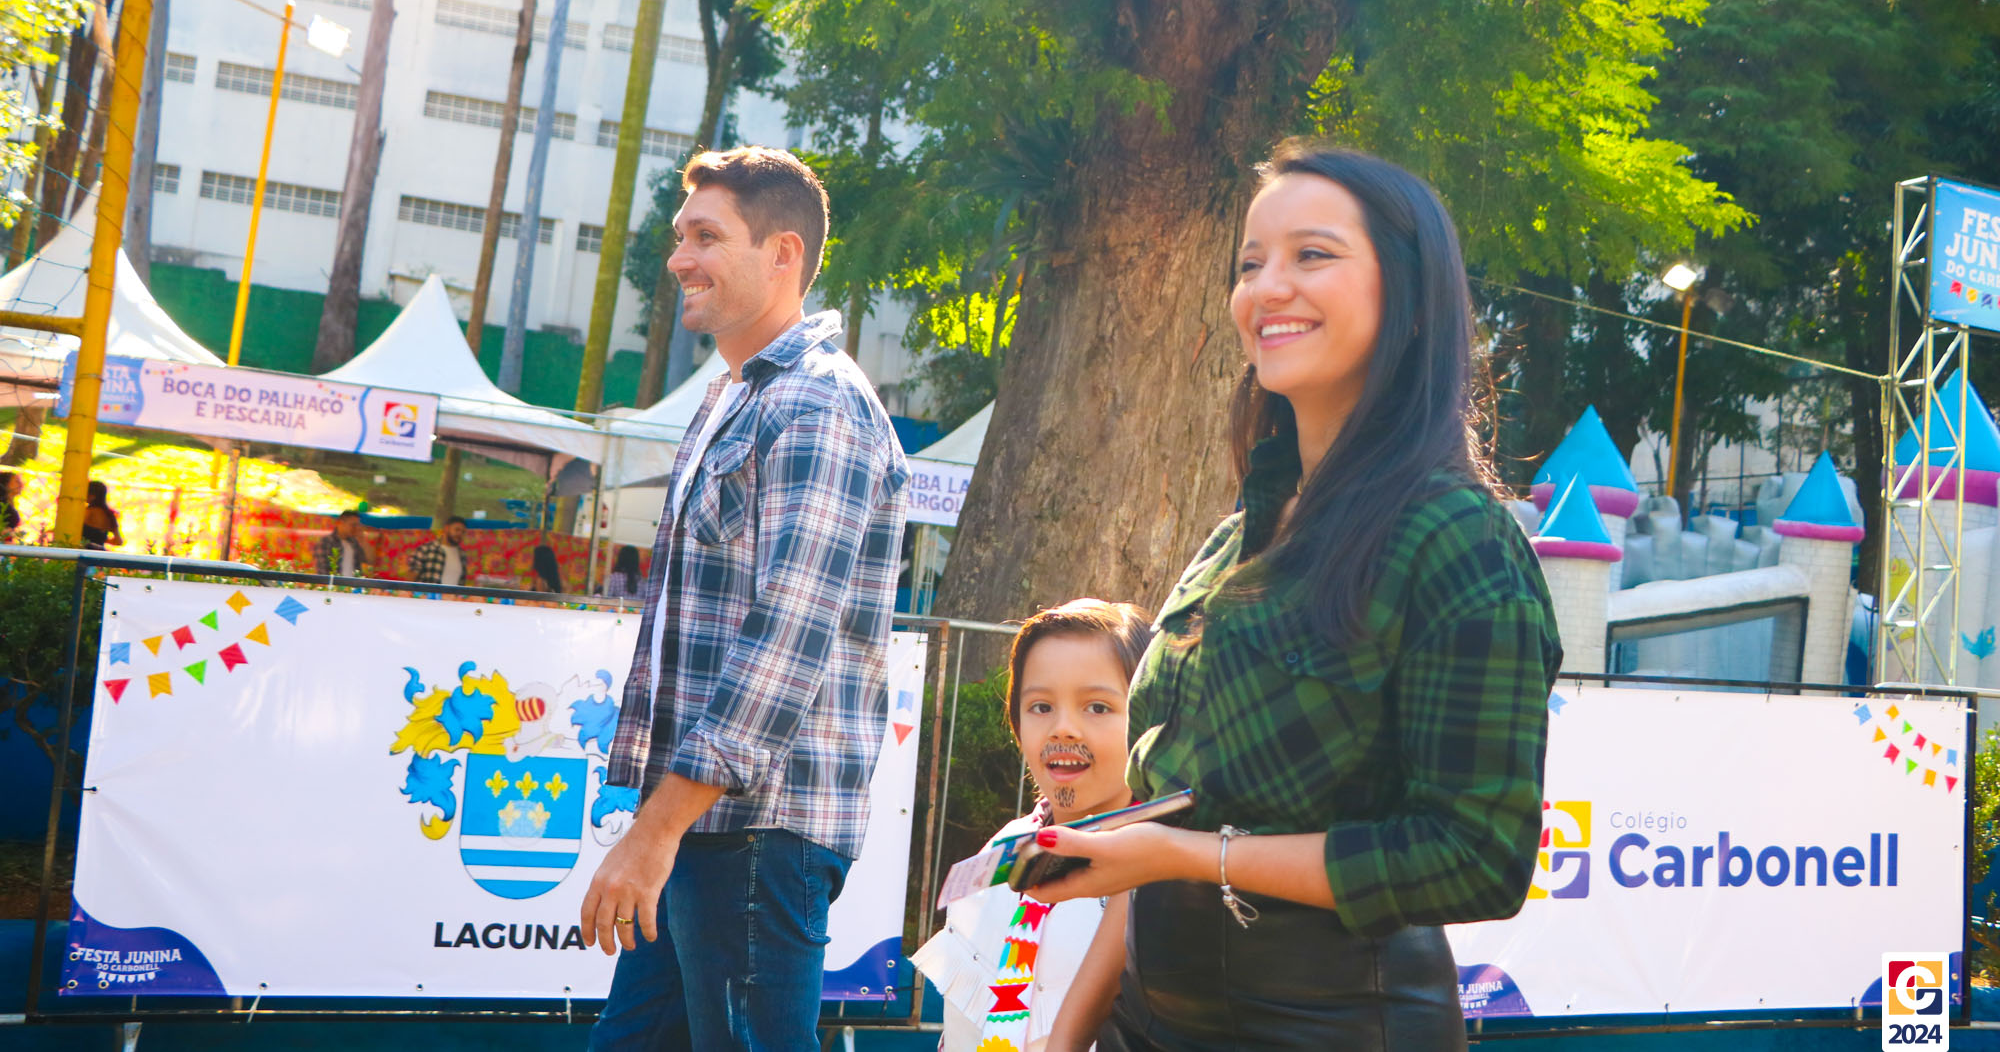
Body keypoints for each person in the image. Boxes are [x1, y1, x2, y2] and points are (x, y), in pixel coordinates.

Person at [1037, 142, 1563, 1051]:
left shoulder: (1460, 540)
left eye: (1312, 255)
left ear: (1409, 299)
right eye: (1251, 264)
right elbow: (1187, 802)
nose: (1266, 288)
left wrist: (1188, 854)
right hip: (1150, 1021)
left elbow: (1478, 857)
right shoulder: (1240, 530)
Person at [582, 146, 909, 1052]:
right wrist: (664, 827)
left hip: (757, 831)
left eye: (706, 236)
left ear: (783, 254)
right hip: (706, 826)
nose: (679, 258)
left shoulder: (817, 404)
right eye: (680, 236)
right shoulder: (736, 396)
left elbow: (788, 638)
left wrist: (656, 830)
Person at [912, 599, 1152, 1052]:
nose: (1063, 729)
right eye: (1041, 706)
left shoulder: (1159, 877)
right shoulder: (1003, 850)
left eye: (1097, 707)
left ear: (1150, 720)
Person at [407, 515, 468, 586]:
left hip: (453, 593)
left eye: (463, 532)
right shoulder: (425, 549)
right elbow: (410, 579)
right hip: (428, 593)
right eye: (457, 530)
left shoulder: (462, 555)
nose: (460, 534)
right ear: (446, 528)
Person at [315, 509, 372, 578]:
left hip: (353, 583)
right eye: (353, 525)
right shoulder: (326, 541)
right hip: (335, 583)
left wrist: (362, 540)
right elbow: (322, 570)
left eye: (358, 525)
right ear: (340, 523)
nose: (356, 528)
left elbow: (370, 560)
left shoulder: (354, 542)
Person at [82, 480, 123, 549]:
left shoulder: (88, 512)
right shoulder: (109, 515)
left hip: (85, 551)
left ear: (92, 496)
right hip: (100, 552)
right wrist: (102, 539)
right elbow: (119, 541)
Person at [1, 472, 23, 541]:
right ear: (6, 484)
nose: (21, 485)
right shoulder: (2, 505)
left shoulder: (9, 504)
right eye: (17, 481)